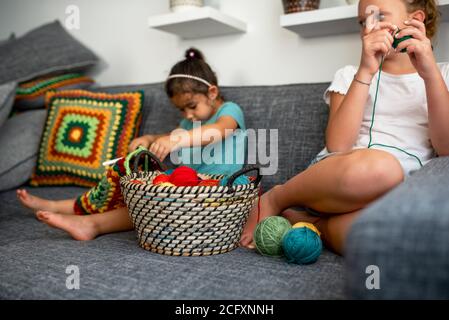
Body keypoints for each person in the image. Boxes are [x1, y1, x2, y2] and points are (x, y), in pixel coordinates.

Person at [240, 0, 449, 255]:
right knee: (383, 169)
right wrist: (366, 71)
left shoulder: (442, 75)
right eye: (363, 21)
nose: (368, 27)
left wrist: (430, 76)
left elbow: (446, 148)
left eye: (378, 16)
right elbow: (337, 145)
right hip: (337, 183)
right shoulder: (350, 75)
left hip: (391, 198)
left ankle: (309, 224)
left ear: (415, 20)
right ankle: (276, 197)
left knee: (382, 241)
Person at [17, 48, 247, 241]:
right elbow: (171, 134)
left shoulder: (229, 111)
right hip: (187, 185)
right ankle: (60, 206)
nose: (187, 114)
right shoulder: (189, 121)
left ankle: (91, 224)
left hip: (222, 188)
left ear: (212, 93)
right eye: (182, 110)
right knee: (133, 187)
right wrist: (148, 140)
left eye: (192, 106)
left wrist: (176, 139)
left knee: (153, 201)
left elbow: (218, 131)